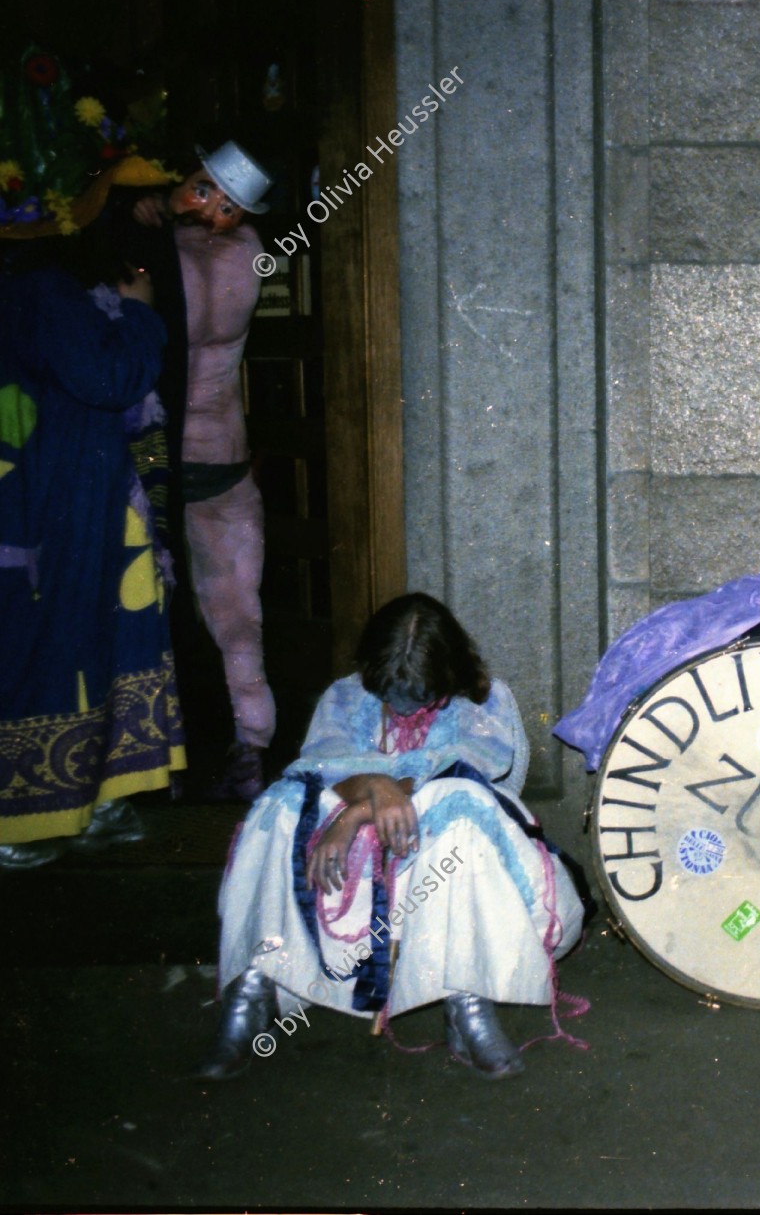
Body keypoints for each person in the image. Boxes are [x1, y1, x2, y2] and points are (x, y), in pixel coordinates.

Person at [199, 593, 586, 1079]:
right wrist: (364, 798)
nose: (402, 705)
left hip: (450, 864)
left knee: (454, 803)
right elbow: (321, 763)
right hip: (361, 876)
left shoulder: (485, 700)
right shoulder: (345, 695)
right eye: (390, 690)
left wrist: (361, 808)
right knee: (279, 805)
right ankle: (253, 990)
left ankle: (465, 999)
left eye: (418, 692)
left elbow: (466, 768)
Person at [0, 217, 186, 866]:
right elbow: (105, 378)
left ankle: (98, 792)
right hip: (59, 508)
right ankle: (19, 817)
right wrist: (139, 316)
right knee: (57, 651)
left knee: (102, 648)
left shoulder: (41, 286)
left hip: (84, 501)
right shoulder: (44, 285)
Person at [130, 142, 274, 799]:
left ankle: (186, 759)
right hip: (213, 458)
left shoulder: (174, 251)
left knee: (175, 608)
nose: (210, 209)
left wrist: (153, 207)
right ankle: (243, 750)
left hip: (168, 459)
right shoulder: (251, 250)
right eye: (203, 190)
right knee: (231, 612)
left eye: (224, 202)